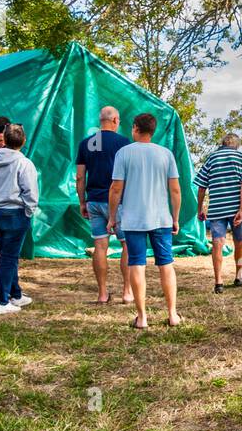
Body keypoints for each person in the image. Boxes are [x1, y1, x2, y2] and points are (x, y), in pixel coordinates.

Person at [107, 112, 181, 329]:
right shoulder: (165, 154)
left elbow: (116, 188)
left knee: (137, 264)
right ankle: (173, 314)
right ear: (153, 130)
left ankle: (142, 317)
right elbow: (175, 190)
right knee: (166, 264)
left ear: (135, 128)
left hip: (133, 219)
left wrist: (112, 217)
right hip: (161, 219)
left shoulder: (124, 153)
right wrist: (175, 217)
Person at [75, 106, 132, 304]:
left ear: (101, 120)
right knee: (127, 245)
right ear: (115, 120)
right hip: (119, 202)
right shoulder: (124, 143)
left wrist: (82, 202)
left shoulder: (87, 143)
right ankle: (127, 292)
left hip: (94, 201)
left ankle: (102, 293)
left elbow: (80, 177)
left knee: (100, 246)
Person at [0, 123, 39, 316]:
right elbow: (31, 191)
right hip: (15, 213)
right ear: (23, 141)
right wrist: (29, 211)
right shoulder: (24, 164)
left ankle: (15, 294)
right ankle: (2, 300)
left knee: (6, 256)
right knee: (9, 258)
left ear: (4, 140)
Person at [195, 133, 242, 293]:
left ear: (222, 143)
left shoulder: (211, 158)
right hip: (237, 209)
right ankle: (238, 275)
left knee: (217, 243)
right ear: (237, 145)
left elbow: (201, 187)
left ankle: (218, 282)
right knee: (239, 242)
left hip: (217, 208)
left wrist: (199, 208)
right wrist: (241, 210)